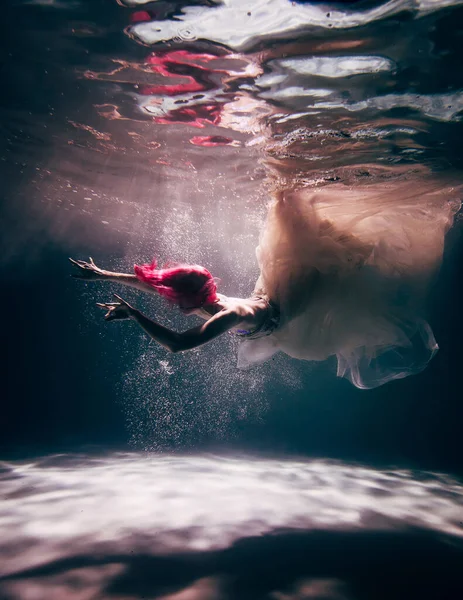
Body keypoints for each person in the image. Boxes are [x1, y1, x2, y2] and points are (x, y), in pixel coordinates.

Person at [71, 179, 460, 389]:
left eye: (177, 302)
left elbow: (179, 344)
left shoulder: (231, 314)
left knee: (334, 245)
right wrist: (103, 275)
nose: (173, 305)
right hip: (280, 297)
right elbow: (158, 288)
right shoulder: (209, 299)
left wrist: (134, 315)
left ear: (191, 300)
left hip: (289, 311)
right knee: (323, 242)